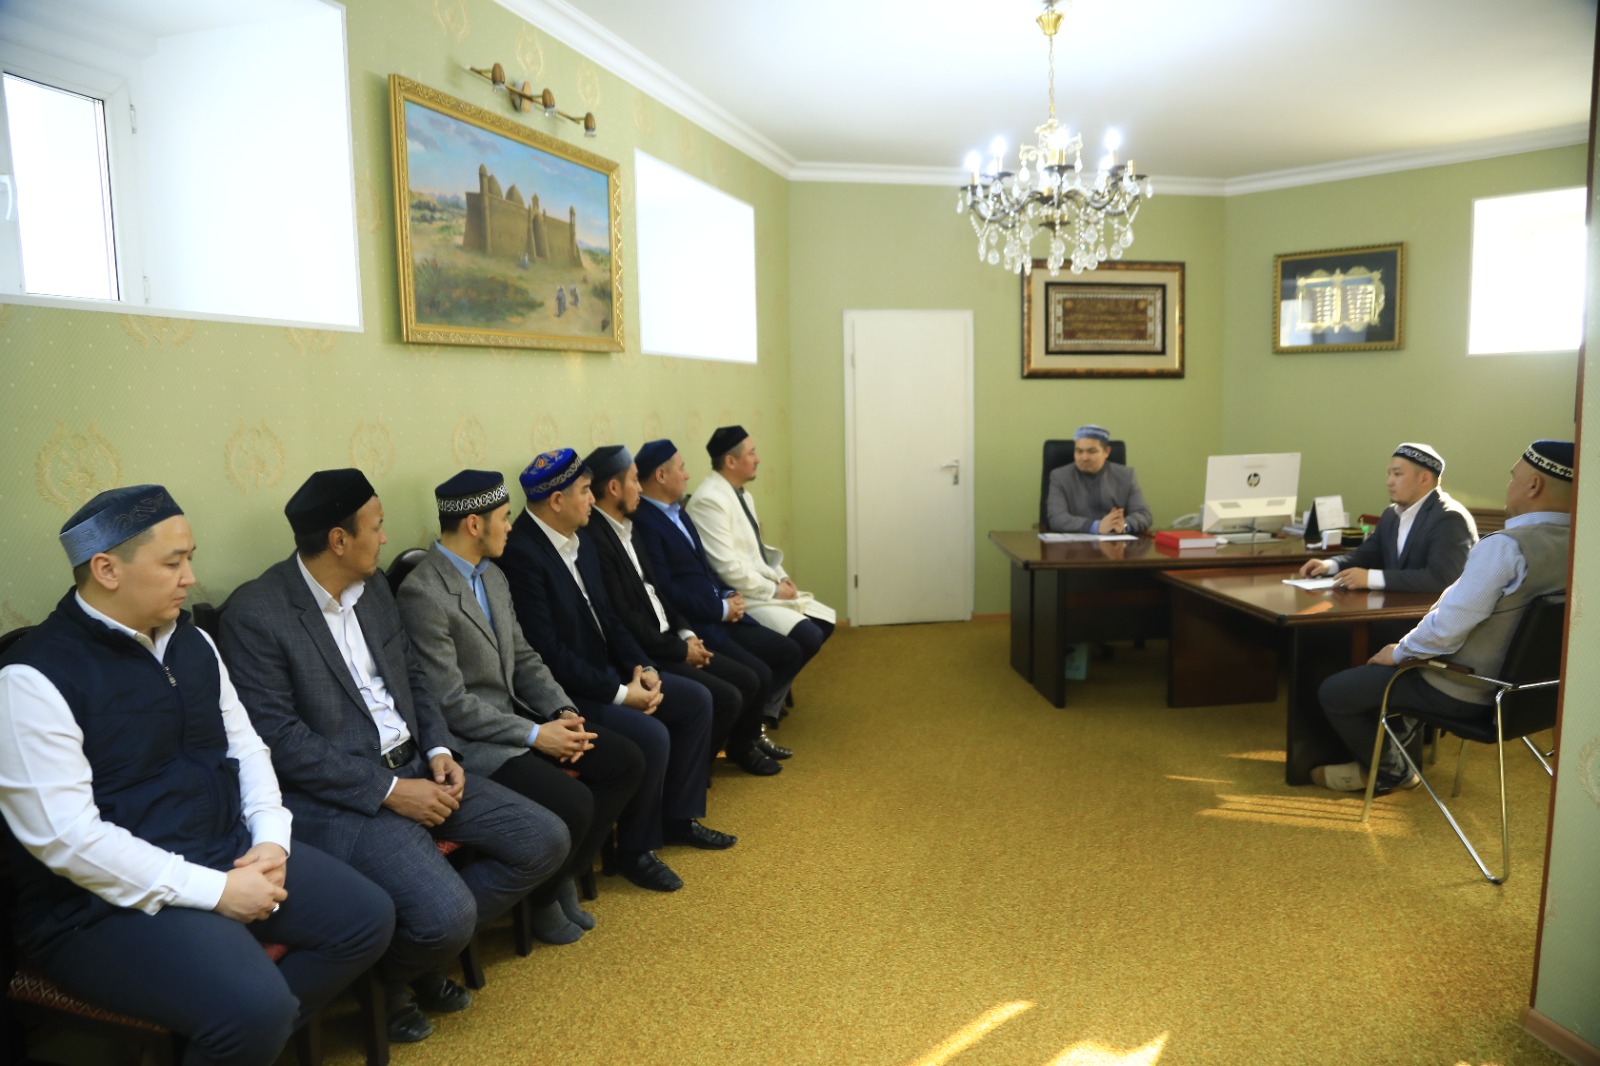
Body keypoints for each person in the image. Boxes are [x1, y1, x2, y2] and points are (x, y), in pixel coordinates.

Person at [0, 485, 395, 1066]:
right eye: (173, 563)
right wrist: (218, 893)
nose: (190, 577)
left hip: (222, 849)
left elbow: (248, 749)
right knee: (255, 1010)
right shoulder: (33, 679)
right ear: (107, 569)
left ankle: (230, 1043)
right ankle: (244, 1030)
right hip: (98, 906)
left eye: (190, 558)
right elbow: (67, 839)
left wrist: (270, 841)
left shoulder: (193, 642)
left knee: (366, 919)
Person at [218, 469, 569, 1043]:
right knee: (448, 917)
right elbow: (281, 739)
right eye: (377, 526)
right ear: (339, 539)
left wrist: (439, 749)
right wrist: (390, 792)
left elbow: (414, 677)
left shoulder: (375, 588)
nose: (385, 538)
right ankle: (393, 978)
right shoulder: (257, 614)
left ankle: (408, 962)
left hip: (419, 765)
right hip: (346, 798)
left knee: (545, 840)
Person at [395, 470, 646, 944]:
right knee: (575, 803)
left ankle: (557, 877)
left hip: (521, 718)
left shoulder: (493, 574)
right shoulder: (423, 593)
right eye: (505, 517)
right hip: (475, 741)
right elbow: (450, 703)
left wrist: (561, 712)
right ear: (474, 525)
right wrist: (536, 735)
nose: (512, 526)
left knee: (625, 761)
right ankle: (544, 897)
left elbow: (526, 658)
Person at [495, 449, 733, 893]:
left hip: (607, 672)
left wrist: (643, 667)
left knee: (696, 701)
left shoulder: (578, 538)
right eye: (585, 491)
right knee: (651, 735)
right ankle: (635, 852)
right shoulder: (521, 554)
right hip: (564, 691)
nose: (593, 500)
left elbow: (609, 618)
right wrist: (622, 694)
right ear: (557, 501)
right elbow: (548, 653)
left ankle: (678, 819)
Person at [1310, 440, 1574, 795]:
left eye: (1513, 477)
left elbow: (1448, 628)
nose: (1508, 485)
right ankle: (1388, 757)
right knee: (1394, 670)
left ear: (1533, 485)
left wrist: (1399, 652)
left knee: (1337, 690)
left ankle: (1392, 773)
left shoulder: (1506, 547)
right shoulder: (1582, 546)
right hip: (1535, 697)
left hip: (1465, 688)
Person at [581, 445, 780, 776]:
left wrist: (686, 634)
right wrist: (679, 649)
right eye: (634, 480)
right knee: (725, 695)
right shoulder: (596, 541)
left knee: (747, 678)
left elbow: (659, 592)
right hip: (648, 650)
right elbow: (623, 617)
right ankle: (691, 776)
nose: (640, 488)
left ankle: (700, 768)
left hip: (673, 635)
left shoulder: (630, 527)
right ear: (614, 488)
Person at [632, 437, 803, 746]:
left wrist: (727, 594)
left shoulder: (678, 511)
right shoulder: (645, 522)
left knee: (785, 652)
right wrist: (720, 609)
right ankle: (745, 745)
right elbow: (665, 587)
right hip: (699, 621)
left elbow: (705, 566)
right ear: (661, 475)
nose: (687, 475)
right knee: (755, 675)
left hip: (718, 610)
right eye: (682, 468)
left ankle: (751, 735)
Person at [686, 426, 836, 669]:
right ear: (730, 461)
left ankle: (777, 689)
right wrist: (774, 590)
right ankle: (773, 693)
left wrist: (782, 577)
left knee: (824, 623)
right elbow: (727, 568)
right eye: (752, 453)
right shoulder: (709, 500)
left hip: (759, 586)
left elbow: (757, 548)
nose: (758, 459)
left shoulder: (742, 495)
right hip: (740, 596)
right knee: (809, 636)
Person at [1297, 442, 1477, 591]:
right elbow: (1367, 555)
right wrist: (1329, 565)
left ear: (1424, 478)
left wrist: (1370, 578)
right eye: (1389, 473)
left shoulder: (1449, 518)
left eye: (1397, 474)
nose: (1389, 481)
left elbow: (1441, 579)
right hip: (1396, 606)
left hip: (1429, 617)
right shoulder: (1391, 514)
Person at [1045, 424, 1152, 535]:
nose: (1084, 458)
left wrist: (1123, 526)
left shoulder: (1126, 475)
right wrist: (1096, 526)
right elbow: (1057, 518)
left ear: (1106, 452)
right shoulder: (1060, 476)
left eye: (1092, 451)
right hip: (1076, 543)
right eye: (1079, 451)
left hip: (1117, 543)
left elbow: (1144, 515)